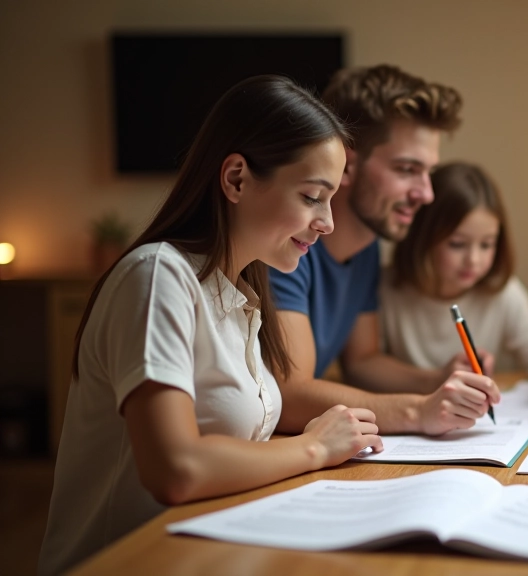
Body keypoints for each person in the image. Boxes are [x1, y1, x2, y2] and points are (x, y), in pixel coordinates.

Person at [39, 76, 384, 576]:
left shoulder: (241, 294)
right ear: (237, 179)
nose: (327, 222)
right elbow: (176, 470)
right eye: (313, 196)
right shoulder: (158, 275)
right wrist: (314, 446)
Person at [269, 65, 500, 436]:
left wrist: (437, 379)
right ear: (345, 161)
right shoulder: (287, 246)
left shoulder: (366, 248)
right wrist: (418, 411)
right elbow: (290, 394)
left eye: (428, 172)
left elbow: (362, 360)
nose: (426, 194)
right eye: (407, 169)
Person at [380, 161, 528, 372]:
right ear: (423, 237)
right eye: (457, 244)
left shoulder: (503, 291)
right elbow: (365, 366)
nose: (474, 260)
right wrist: (438, 379)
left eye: (487, 244)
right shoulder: (386, 290)